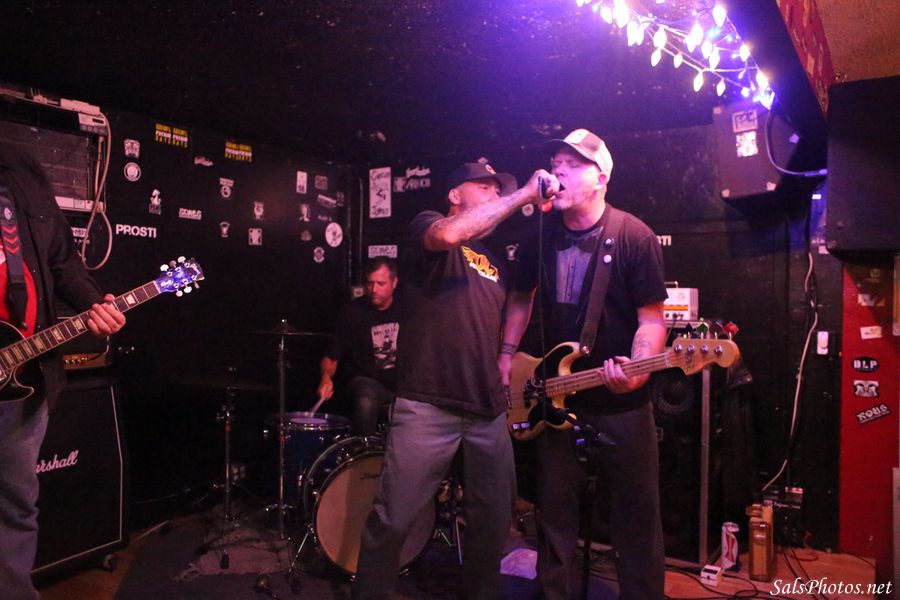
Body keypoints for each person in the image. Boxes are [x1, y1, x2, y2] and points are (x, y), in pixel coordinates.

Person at [352, 160, 555, 600]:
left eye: (498, 189)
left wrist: (507, 353)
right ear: (455, 194)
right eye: (484, 187)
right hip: (427, 403)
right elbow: (448, 235)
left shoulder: (496, 259)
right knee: (393, 518)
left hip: (486, 407)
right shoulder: (428, 227)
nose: (495, 194)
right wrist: (523, 194)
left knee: (493, 522)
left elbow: (521, 298)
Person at [500, 129, 668, 600]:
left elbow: (652, 321)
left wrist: (637, 370)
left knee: (636, 520)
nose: (559, 172)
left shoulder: (634, 236)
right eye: (556, 164)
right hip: (554, 399)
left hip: (621, 404)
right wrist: (506, 354)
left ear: (601, 178)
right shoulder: (540, 234)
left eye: (573, 165)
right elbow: (520, 297)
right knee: (554, 518)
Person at [0, 143, 126, 600]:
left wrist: (93, 302)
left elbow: (63, 260)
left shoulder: (21, 172)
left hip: (23, 375)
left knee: (16, 506)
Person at [316, 256, 400, 435]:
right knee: (365, 399)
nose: (374, 289)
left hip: (401, 384)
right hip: (367, 381)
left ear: (394, 283)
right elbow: (332, 356)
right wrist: (325, 377)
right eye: (370, 283)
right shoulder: (353, 311)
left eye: (381, 283)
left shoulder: (406, 310)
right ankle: (363, 449)